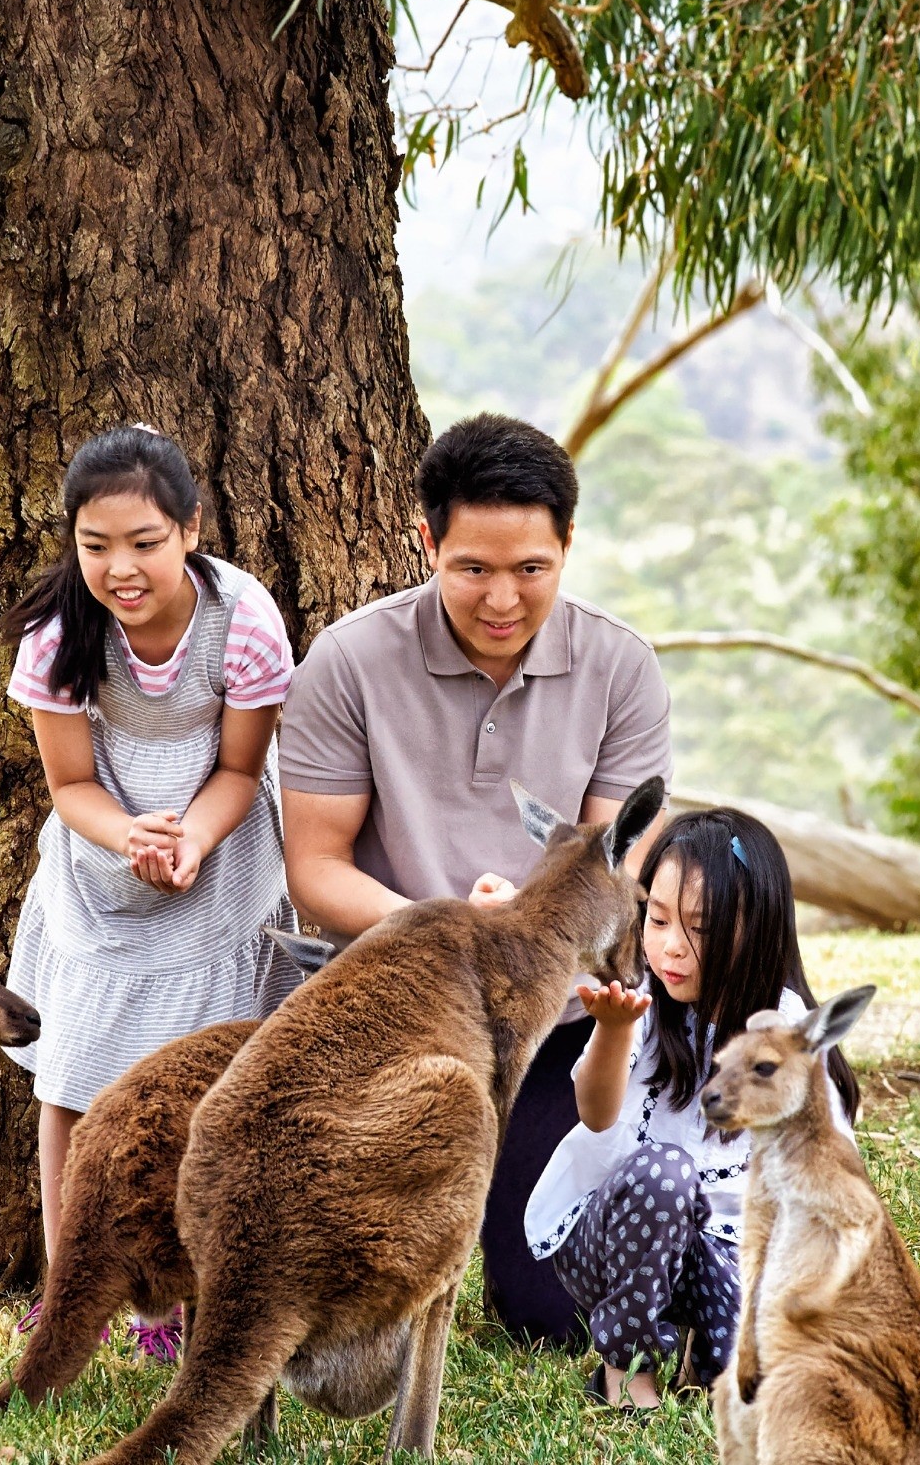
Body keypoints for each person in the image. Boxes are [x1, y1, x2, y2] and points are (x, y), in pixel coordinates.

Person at [277, 412, 673, 1344]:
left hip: (555, 1030)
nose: (503, 597)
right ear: (428, 542)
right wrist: (454, 928)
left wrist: (531, 938)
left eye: (531, 569)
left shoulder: (620, 669)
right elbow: (316, 870)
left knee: (553, 1317)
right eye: (473, 569)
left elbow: (621, 877)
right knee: (356, 1292)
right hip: (396, 1031)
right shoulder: (348, 663)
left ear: (568, 544)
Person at [0, 425, 305, 1361]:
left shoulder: (243, 620)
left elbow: (245, 770)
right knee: (75, 1081)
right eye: (96, 547)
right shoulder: (57, 638)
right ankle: (71, 1293)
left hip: (217, 858)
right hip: (102, 862)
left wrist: (192, 842)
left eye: (144, 543)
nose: (120, 568)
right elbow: (70, 788)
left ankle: (177, 1301)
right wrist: (132, 836)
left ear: (190, 530)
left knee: (199, 1084)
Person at [523, 807, 857, 1408]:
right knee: (664, 1170)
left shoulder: (785, 1034)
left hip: (724, 1248)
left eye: (700, 929)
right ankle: (628, 1371)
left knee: (758, 1371)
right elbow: (596, 1115)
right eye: (655, 917)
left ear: (757, 929)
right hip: (615, 1233)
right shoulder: (642, 1005)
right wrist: (613, 1030)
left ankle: (701, 1356)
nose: (670, 947)